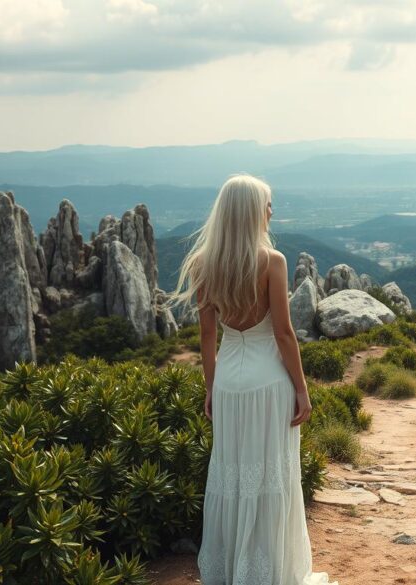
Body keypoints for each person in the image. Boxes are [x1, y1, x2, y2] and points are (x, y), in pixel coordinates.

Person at [171, 174, 336, 585]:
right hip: (268, 385)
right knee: (271, 477)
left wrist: (211, 387)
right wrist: (302, 389)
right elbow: (283, 333)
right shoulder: (272, 262)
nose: (271, 211)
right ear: (251, 212)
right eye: (267, 204)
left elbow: (207, 335)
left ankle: (232, 570)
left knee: (231, 473)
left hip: (228, 382)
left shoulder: (203, 264)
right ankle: (269, 572)